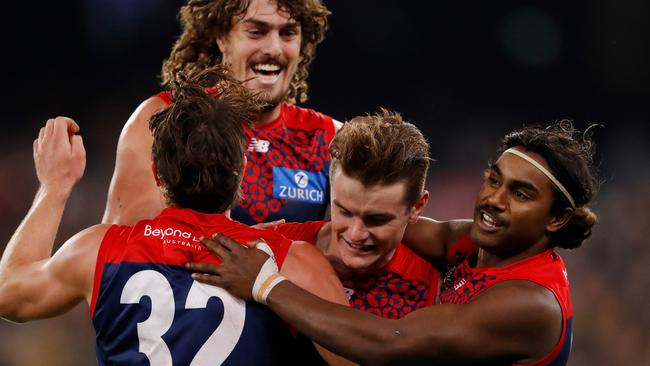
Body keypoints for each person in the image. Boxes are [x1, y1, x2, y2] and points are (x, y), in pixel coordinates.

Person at [0, 69, 351, 365]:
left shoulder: (98, 249)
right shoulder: (289, 260)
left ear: (157, 172)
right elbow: (362, 350)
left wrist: (55, 185)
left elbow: (9, 295)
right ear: (242, 170)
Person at [191, 121, 600, 365]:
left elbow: (391, 343)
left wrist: (266, 284)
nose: (494, 200)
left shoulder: (530, 302)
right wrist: (271, 236)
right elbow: (382, 223)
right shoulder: (477, 243)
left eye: (521, 193)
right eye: (494, 180)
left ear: (558, 218)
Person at [103, 0, 341, 227]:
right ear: (222, 37)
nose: (273, 49)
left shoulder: (331, 140)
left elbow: (355, 251)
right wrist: (256, 248)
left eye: (288, 33)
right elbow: (127, 254)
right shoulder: (165, 120)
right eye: (256, 32)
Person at [253, 110, 470, 318]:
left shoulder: (433, 291)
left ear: (416, 207)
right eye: (344, 212)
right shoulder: (265, 249)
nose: (356, 234)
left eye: (377, 219)